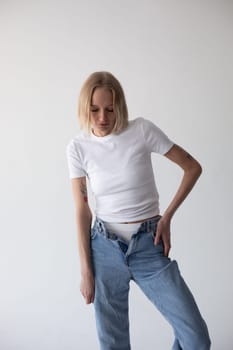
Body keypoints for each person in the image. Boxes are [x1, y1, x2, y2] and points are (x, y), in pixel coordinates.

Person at [66, 71, 211, 350]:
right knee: (114, 344)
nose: (102, 118)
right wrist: (86, 269)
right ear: (85, 108)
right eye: (94, 110)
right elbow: (82, 210)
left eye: (110, 109)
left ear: (119, 106)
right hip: (104, 250)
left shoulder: (142, 131)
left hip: (149, 244)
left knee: (196, 338)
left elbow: (192, 167)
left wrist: (166, 216)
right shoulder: (78, 147)